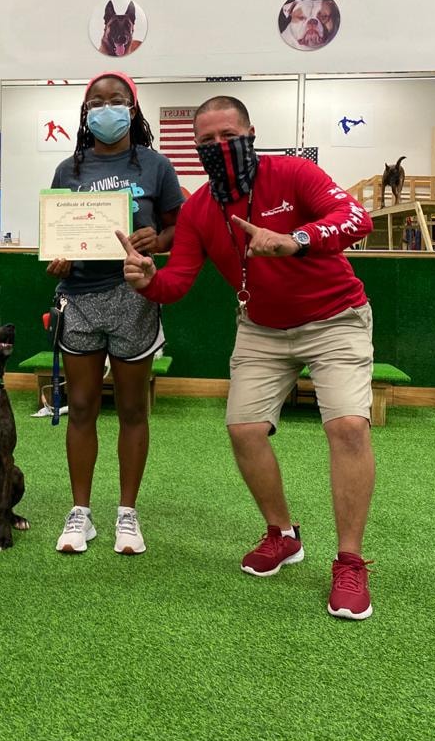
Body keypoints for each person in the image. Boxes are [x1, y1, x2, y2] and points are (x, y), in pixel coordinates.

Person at [120, 96, 377, 620]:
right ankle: (282, 534)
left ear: (252, 133)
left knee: (348, 426)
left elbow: (356, 218)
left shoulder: (293, 173)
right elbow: (177, 283)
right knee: (244, 430)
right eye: (206, 140)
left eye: (229, 136)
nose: (218, 147)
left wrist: (295, 240)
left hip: (335, 318)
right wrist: (148, 281)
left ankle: (350, 561)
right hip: (261, 328)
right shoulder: (198, 209)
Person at [47, 72, 184, 556]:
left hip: (134, 296)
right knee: (82, 407)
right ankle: (80, 513)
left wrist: (158, 240)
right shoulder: (67, 169)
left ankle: (127, 513)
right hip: (79, 297)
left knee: (132, 408)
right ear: (86, 113)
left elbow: (179, 228)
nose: (107, 108)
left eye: (117, 100)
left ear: (133, 108)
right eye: (97, 102)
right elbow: (57, 234)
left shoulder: (157, 165)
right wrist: (58, 258)